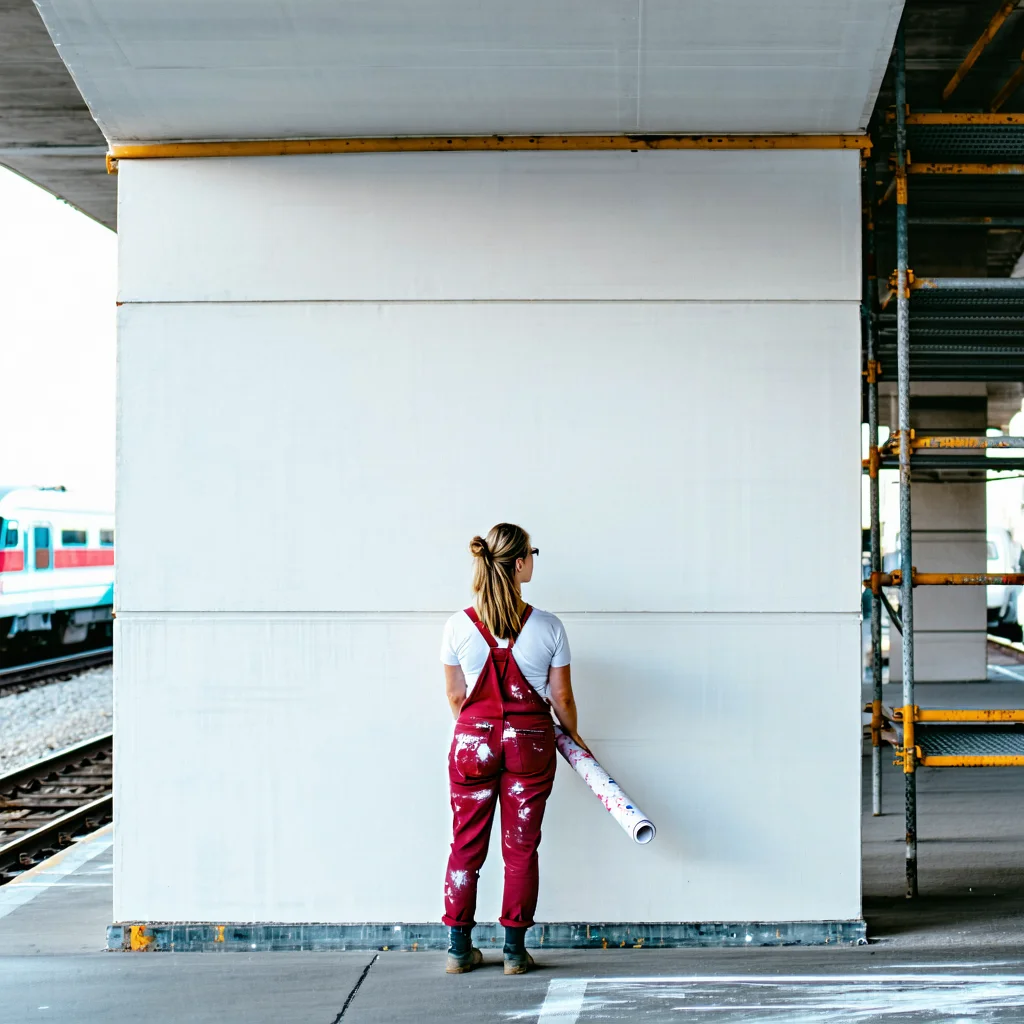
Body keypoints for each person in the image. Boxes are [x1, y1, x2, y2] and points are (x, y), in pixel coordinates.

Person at [440, 523, 588, 976]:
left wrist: (478, 732)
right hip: (530, 745)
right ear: (520, 562)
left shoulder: (457, 625)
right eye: (533, 553)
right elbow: (561, 698)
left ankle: (459, 950)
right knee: (521, 848)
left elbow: (454, 696)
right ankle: (513, 952)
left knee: (466, 845)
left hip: (473, 742)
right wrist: (575, 737)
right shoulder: (548, 626)